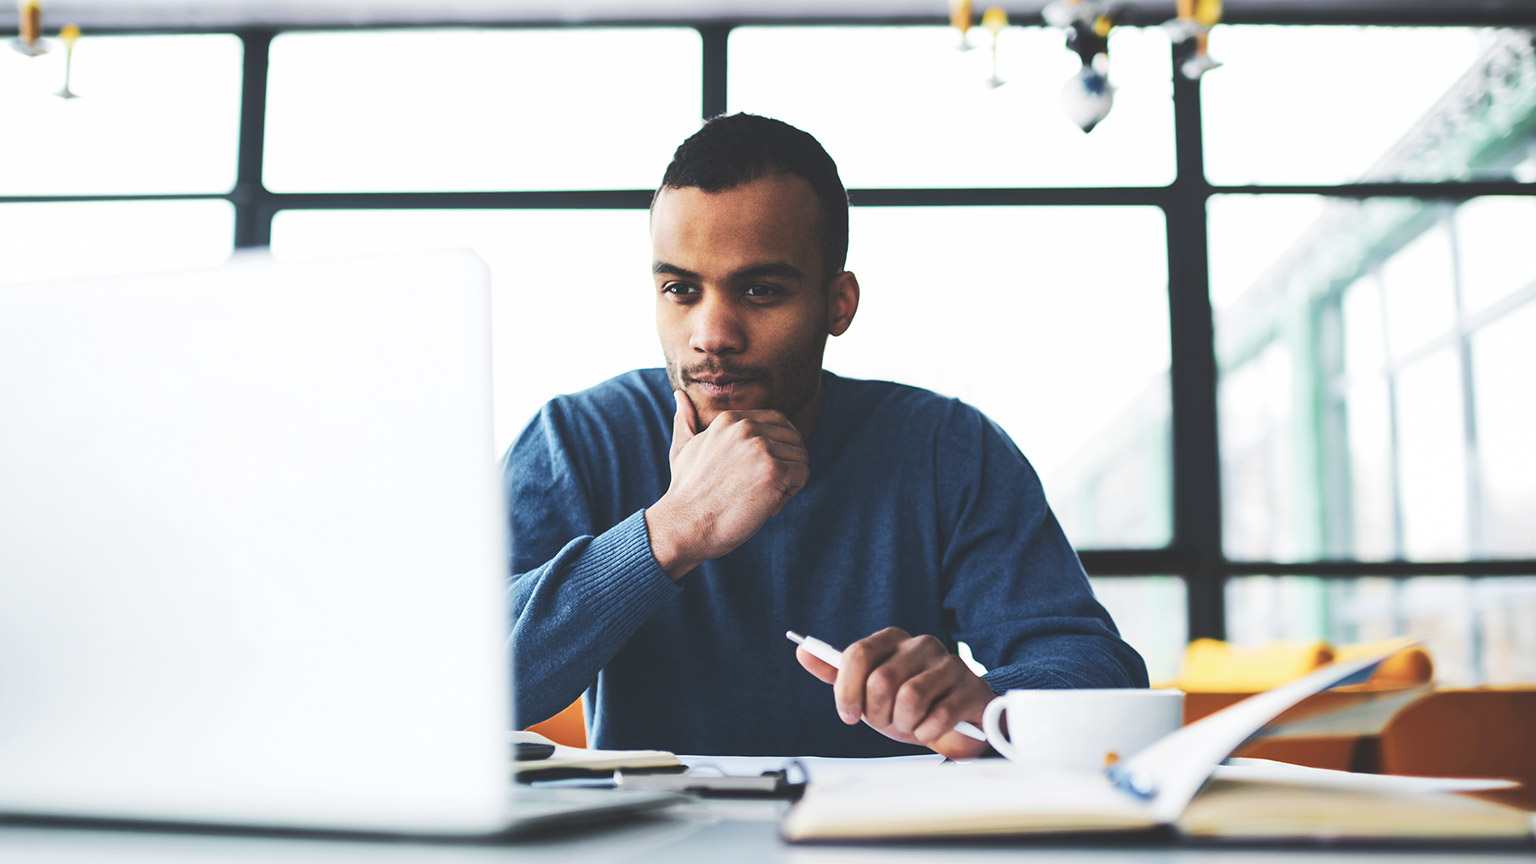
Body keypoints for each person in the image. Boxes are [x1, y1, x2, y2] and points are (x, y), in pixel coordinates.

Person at [505, 113, 1147, 759]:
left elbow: (1097, 670)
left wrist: (991, 707)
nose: (711, 334)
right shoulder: (574, 439)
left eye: (760, 290)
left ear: (838, 303)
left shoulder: (947, 448)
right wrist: (673, 531)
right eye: (680, 289)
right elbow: (453, 685)